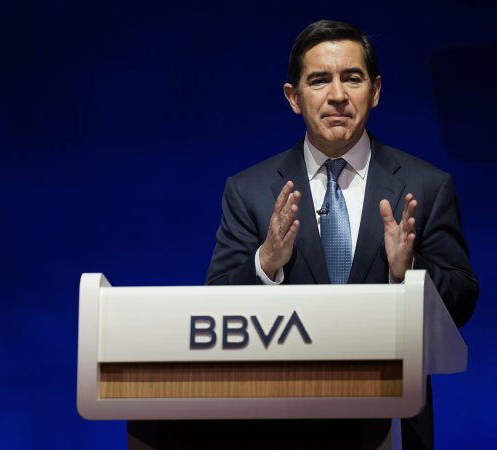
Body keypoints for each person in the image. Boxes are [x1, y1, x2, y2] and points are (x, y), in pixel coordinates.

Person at [205, 19, 478, 449]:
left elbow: (462, 300)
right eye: (319, 80)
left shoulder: (426, 185)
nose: (337, 95)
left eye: (352, 78)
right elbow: (215, 307)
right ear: (293, 98)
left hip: (392, 424)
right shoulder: (249, 191)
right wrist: (265, 264)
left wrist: (409, 271)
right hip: (280, 426)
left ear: (376, 90)